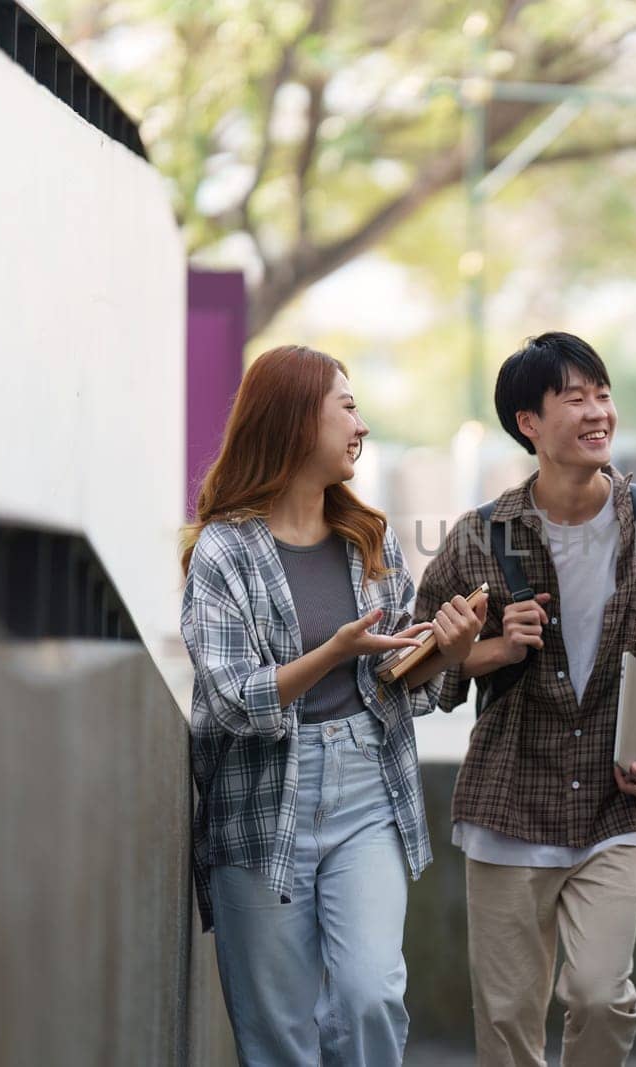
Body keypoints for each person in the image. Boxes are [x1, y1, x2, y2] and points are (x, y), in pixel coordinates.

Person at [416, 331, 636, 1066]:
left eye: (603, 394)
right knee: (507, 1022)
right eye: (575, 397)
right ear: (530, 422)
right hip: (507, 800)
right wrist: (490, 647)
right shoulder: (478, 538)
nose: (598, 412)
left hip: (615, 802)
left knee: (599, 993)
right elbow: (420, 666)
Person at [181, 344, 484, 1065]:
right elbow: (230, 698)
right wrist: (332, 652)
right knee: (279, 1034)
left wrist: (449, 646)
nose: (362, 425)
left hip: (365, 788)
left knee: (370, 993)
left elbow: (400, 680)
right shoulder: (224, 552)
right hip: (260, 799)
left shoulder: (367, 540)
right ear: (293, 418)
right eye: (346, 406)